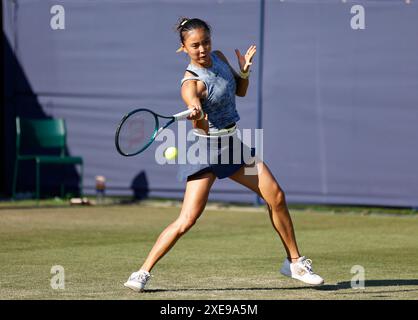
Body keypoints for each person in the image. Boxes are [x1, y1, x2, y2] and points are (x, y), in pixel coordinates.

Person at [124, 17, 324, 292]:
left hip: (233, 146)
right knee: (187, 220)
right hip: (204, 152)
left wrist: (243, 72)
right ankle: (142, 273)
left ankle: (295, 263)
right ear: (183, 48)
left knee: (276, 196)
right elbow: (202, 128)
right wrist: (197, 113)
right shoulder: (189, 84)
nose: (203, 49)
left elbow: (240, 92)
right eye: (195, 45)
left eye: (205, 42)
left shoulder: (218, 58)